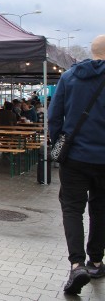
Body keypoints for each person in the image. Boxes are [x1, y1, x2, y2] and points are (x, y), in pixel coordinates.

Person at [48, 34, 105, 294]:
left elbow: (54, 117)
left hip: (74, 157)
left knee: (72, 209)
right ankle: (95, 260)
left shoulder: (69, 77)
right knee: (101, 209)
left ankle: (76, 264)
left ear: (92, 52)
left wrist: (59, 143)